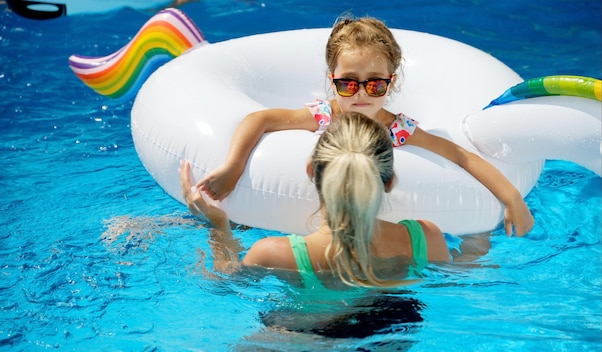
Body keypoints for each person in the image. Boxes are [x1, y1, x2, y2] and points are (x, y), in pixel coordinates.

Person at [193, 15, 534, 237]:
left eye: (374, 85)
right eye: (347, 84)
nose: (360, 94)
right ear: (332, 80)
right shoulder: (323, 115)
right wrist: (234, 167)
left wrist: (512, 199)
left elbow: (461, 157)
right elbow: (260, 119)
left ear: (391, 82)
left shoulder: (399, 130)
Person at [181, 111, 453, 287]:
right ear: (389, 182)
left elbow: (223, 284)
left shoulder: (275, 254)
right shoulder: (426, 239)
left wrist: (217, 228)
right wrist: (480, 243)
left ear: (311, 170)